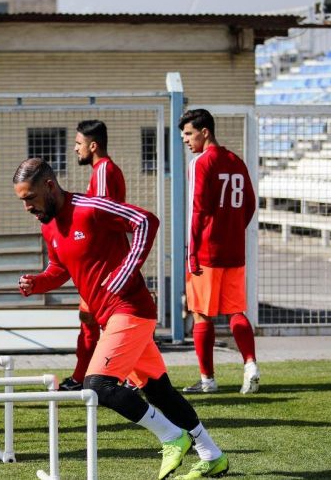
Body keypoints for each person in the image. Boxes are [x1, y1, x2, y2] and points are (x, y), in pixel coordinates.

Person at [16, 158, 228, 479]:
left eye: (30, 197)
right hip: (112, 318)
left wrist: (126, 271)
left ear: (49, 186)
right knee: (159, 391)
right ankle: (212, 455)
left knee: (98, 385)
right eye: (22, 200)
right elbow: (60, 268)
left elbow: (146, 221)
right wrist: (38, 282)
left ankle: (172, 437)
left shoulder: (90, 207)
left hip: (130, 309)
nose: (27, 207)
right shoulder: (49, 226)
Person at [180, 109, 259, 395]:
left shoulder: (201, 162)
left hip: (207, 252)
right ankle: (250, 365)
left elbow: (197, 210)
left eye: (189, 134)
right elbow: (250, 204)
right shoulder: (236, 160)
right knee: (236, 311)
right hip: (233, 250)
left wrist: (192, 251)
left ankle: (207, 381)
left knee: (201, 314)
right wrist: (233, 229)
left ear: (205, 132)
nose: (185, 140)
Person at [57, 119, 128, 392]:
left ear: (93, 145)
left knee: (109, 323)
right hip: (100, 263)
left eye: (78, 143)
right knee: (88, 320)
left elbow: (101, 218)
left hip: (103, 265)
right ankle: (81, 376)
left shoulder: (104, 171)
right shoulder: (103, 170)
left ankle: (126, 378)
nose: (75, 148)